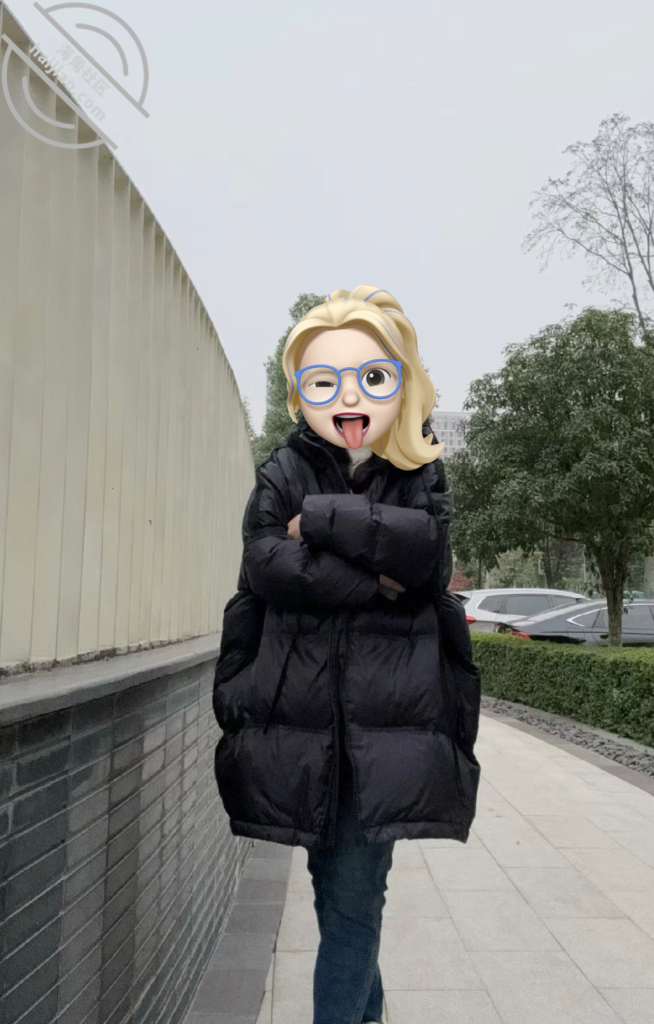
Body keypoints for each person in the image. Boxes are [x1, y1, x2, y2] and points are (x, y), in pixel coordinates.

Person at [213, 286, 481, 1024]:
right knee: (338, 900)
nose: (349, 398)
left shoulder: (419, 471)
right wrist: (374, 574)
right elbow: (264, 565)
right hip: (300, 734)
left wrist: (319, 520)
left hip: (382, 739)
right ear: (301, 389)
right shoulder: (281, 469)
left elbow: (425, 562)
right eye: (324, 380)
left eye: (371, 377)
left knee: (355, 903)